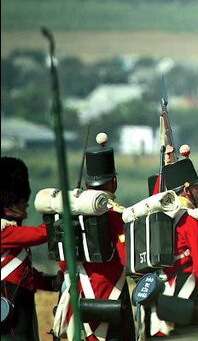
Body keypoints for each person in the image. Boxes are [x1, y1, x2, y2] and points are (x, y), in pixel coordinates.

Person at [52, 133, 135, 341]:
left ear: (88, 185)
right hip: (112, 299)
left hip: (80, 298)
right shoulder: (117, 216)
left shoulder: (70, 215)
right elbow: (127, 260)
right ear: (113, 182)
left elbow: (64, 263)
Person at [145, 154, 198, 337]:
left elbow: (181, 252)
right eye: (196, 187)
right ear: (186, 190)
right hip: (184, 301)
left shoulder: (157, 216)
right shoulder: (194, 220)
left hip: (156, 297)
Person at [1, 157, 61, 341]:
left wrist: (50, 283)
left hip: (22, 306)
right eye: (21, 199)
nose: (26, 203)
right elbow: (39, 235)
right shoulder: (4, 231)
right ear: (10, 202)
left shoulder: (11, 230)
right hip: (9, 312)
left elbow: (24, 275)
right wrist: (60, 218)